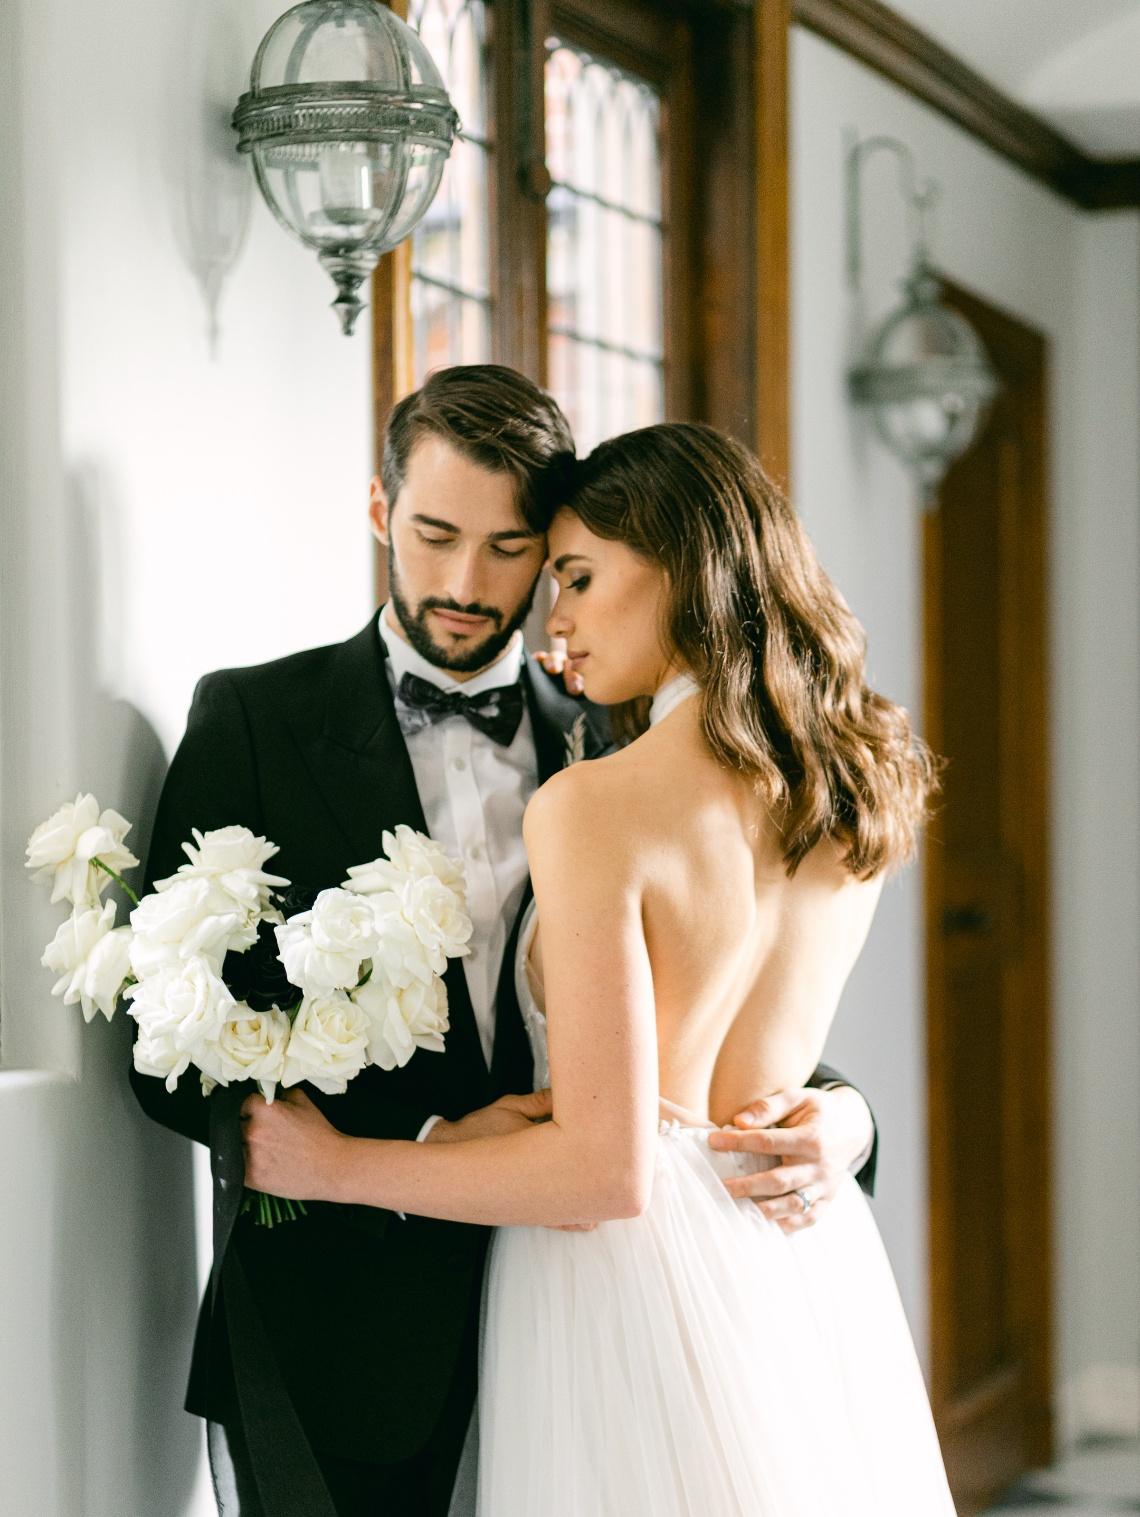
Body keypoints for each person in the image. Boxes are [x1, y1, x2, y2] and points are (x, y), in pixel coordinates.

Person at [130, 371, 879, 1517]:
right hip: (346, 1327)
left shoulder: (617, 742)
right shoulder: (252, 720)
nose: (469, 583)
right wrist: (406, 1140)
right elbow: (168, 1036)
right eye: (434, 535)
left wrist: (846, 1115)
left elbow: (692, 1028)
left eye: (517, 550)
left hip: (592, 1314)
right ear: (382, 511)